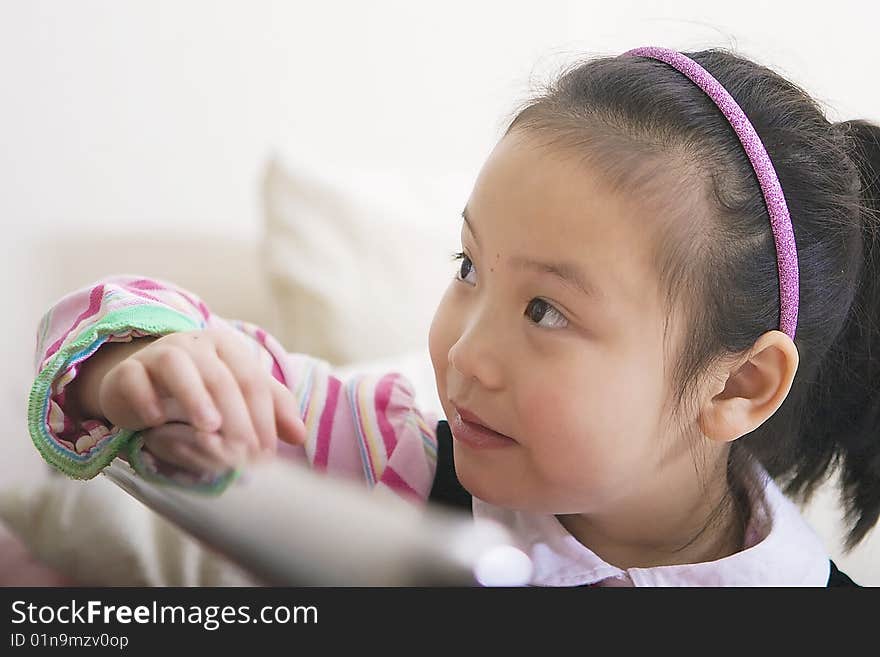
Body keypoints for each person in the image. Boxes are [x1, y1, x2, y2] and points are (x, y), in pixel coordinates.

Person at [28, 47, 879, 586]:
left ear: (739, 383)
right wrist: (140, 361)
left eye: (545, 309)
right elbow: (132, 349)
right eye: (468, 266)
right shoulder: (393, 457)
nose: (466, 354)